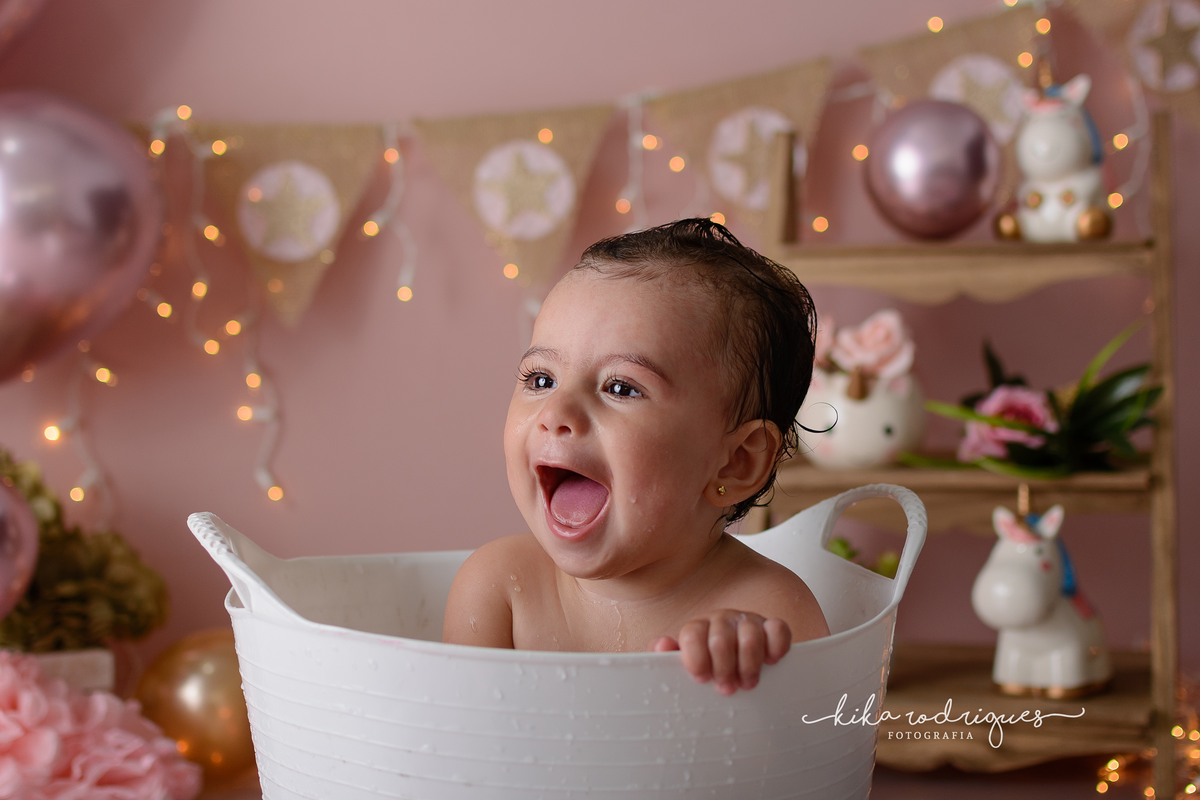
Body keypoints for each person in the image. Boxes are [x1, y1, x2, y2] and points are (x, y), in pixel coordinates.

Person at [443, 218, 829, 695]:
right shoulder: (499, 589)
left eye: (621, 388)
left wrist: (748, 673)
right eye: (541, 380)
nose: (555, 413)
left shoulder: (770, 615)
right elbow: (455, 737)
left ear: (736, 463)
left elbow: (822, 737)